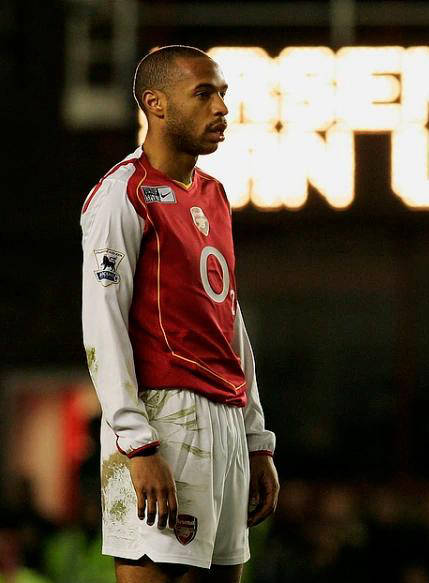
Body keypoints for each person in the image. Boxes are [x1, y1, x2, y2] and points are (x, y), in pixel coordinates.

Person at [80, 45, 279, 583]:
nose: (221, 108)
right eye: (204, 94)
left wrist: (255, 437)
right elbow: (102, 322)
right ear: (157, 104)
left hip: (227, 418)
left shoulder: (214, 195)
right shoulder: (123, 194)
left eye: (223, 94)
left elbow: (228, 321)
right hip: (163, 417)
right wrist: (136, 442)